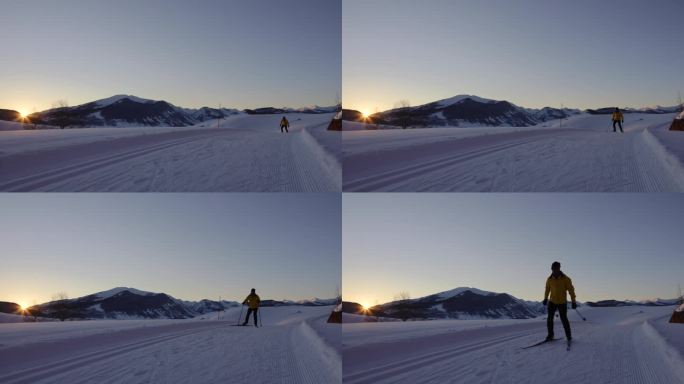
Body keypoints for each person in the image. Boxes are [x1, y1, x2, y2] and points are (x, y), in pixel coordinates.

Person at [543, 261, 576, 341]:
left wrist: (573, 301)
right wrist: (545, 298)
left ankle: (568, 336)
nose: (554, 270)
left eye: (556, 269)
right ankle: (550, 335)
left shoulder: (566, 279)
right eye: (553, 269)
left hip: (562, 302)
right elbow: (547, 289)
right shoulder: (549, 279)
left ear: (559, 268)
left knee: (564, 319)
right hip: (552, 301)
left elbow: (571, 290)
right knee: (549, 319)